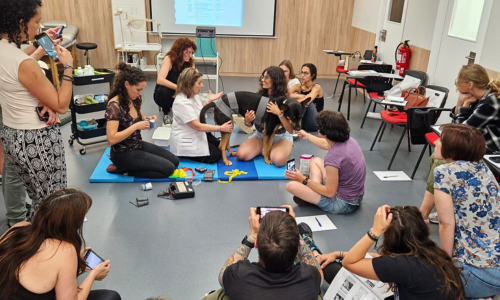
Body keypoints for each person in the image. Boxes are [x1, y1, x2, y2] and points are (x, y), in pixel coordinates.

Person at [0, 0, 74, 217]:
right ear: (22, 23)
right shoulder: (24, 64)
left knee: (38, 199)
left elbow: (18, 67)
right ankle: (50, 246)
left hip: (13, 134)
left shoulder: (5, 51)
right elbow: (60, 105)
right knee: (53, 203)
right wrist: (68, 66)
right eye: (37, 22)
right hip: (36, 140)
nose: (39, 28)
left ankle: (36, 244)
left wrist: (40, 47)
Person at [312, 205, 464, 299]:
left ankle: (312, 253)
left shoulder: (403, 265)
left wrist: (375, 231)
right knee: (334, 268)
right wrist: (339, 253)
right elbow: (383, 259)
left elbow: (349, 262)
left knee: (333, 269)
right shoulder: (431, 252)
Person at [0, 188, 121, 300]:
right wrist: (93, 274)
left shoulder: (19, 227)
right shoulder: (65, 250)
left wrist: (73, 264)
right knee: (111, 296)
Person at [420, 64, 500, 223]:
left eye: (459, 83)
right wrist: (460, 105)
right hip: (477, 148)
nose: (457, 86)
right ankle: (444, 205)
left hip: (491, 154)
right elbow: (457, 123)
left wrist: (463, 106)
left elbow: (461, 130)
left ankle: (424, 213)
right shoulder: (480, 98)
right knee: (437, 156)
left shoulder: (491, 102)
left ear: (470, 84)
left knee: (441, 162)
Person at [431, 124, 500, 298]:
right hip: (495, 264)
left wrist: (445, 267)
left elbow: (446, 224)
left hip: (481, 272)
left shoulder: (444, 172)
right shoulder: (484, 168)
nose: (436, 143)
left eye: (440, 140)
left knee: (428, 279)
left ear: (453, 149)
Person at [203, 206, 323, 300]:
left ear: (256, 244)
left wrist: (252, 236)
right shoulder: (310, 277)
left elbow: (222, 276)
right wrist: (296, 234)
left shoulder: (239, 276)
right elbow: (320, 275)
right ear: (297, 248)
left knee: (221, 294)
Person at [105, 63, 179, 178]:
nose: (140, 93)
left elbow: (140, 119)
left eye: (142, 90)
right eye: (138, 90)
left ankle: (131, 167)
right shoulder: (114, 106)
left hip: (137, 145)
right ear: (127, 85)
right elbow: (111, 139)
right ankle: (124, 170)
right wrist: (135, 127)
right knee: (168, 169)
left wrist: (148, 119)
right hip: (123, 153)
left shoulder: (133, 99)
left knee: (175, 161)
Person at [286, 111, 365, 214]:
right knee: (316, 161)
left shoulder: (332, 157)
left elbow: (330, 193)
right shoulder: (350, 140)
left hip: (343, 204)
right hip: (356, 196)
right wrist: (307, 135)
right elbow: (325, 144)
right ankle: (313, 193)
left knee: (291, 186)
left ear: (322, 131)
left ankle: (312, 197)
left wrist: (302, 179)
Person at [235, 66, 294, 167]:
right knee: (241, 155)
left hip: (281, 137)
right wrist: (247, 121)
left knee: (279, 160)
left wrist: (279, 113)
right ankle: (267, 148)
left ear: (275, 80)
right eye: (262, 77)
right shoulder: (258, 98)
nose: (262, 80)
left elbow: (291, 130)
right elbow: (250, 124)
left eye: (266, 77)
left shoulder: (285, 101)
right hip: (260, 135)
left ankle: (277, 149)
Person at [170, 68, 231, 164]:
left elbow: (197, 112)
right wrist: (220, 128)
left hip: (195, 133)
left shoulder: (193, 95)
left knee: (219, 146)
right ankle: (183, 154)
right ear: (190, 84)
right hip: (186, 141)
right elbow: (197, 126)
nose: (202, 86)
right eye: (199, 83)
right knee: (215, 156)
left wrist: (208, 101)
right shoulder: (181, 102)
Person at [154, 38, 197, 125]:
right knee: (164, 91)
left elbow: (192, 79)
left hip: (180, 90)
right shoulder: (169, 59)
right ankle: (166, 113)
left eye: (191, 53)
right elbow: (160, 80)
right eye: (187, 52)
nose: (190, 55)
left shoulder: (189, 62)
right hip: (165, 91)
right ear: (179, 51)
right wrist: (180, 88)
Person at [289, 63, 324, 131]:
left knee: (306, 102)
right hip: (304, 119)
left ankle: (294, 128)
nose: (302, 75)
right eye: (301, 72)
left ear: (312, 75)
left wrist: (295, 103)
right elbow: (286, 94)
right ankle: (294, 125)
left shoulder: (317, 87)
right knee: (298, 101)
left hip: (316, 122)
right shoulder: (299, 86)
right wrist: (299, 95)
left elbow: (309, 99)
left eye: (306, 73)